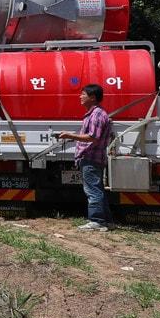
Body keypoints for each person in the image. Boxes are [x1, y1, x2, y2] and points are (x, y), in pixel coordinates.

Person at [57, 83, 113, 231]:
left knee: (92, 190)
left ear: (93, 97)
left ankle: (96, 221)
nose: (80, 97)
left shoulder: (97, 115)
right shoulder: (95, 113)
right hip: (91, 158)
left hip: (91, 158)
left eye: (83, 94)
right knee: (97, 189)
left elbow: (93, 137)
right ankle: (106, 221)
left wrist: (70, 135)